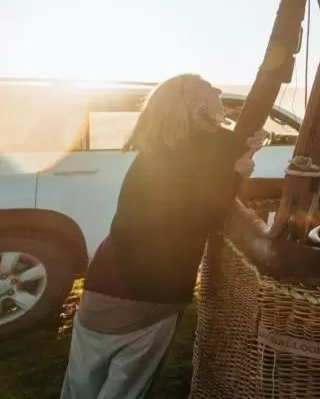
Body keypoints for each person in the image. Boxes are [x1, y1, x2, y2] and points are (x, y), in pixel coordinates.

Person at [60, 74, 266, 399]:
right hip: (151, 287)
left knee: (81, 383)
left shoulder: (153, 150)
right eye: (207, 86)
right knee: (125, 390)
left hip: (103, 277)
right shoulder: (218, 145)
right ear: (194, 103)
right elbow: (207, 212)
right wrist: (236, 169)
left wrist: (238, 158)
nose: (218, 89)